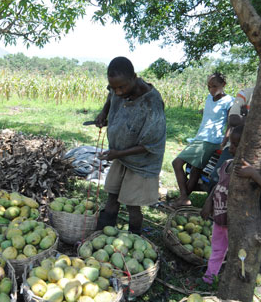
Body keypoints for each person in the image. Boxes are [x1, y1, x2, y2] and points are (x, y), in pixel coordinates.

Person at [200, 125, 261, 284]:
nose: (231, 148)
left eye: (236, 145)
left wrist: (253, 174)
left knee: (238, 255)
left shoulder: (252, 171)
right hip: (220, 219)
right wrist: (208, 203)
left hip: (237, 225)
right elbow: (218, 186)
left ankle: (235, 279)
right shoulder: (226, 165)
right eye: (231, 143)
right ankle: (210, 277)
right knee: (217, 249)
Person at [93, 56, 166, 234]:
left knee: (132, 206)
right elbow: (111, 95)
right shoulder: (117, 90)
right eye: (114, 87)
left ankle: (135, 239)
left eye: (122, 87)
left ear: (134, 77)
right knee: (112, 196)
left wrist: (117, 153)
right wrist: (104, 113)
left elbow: (151, 144)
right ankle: (101, 235)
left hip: (141, 162)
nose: (118, 92)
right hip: (120, 156)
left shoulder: (152, 103)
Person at [171, 72, 233, 207]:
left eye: (214, 86)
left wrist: (225, 140)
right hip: (200, 137)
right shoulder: (208, 98)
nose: (211, 90)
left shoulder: (229, 101)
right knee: (195, 170)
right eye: (209, 86)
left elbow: (230, 123)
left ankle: (183, 197)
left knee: (177, 163)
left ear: (223, 85)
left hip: (210, 140)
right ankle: (183, 198)